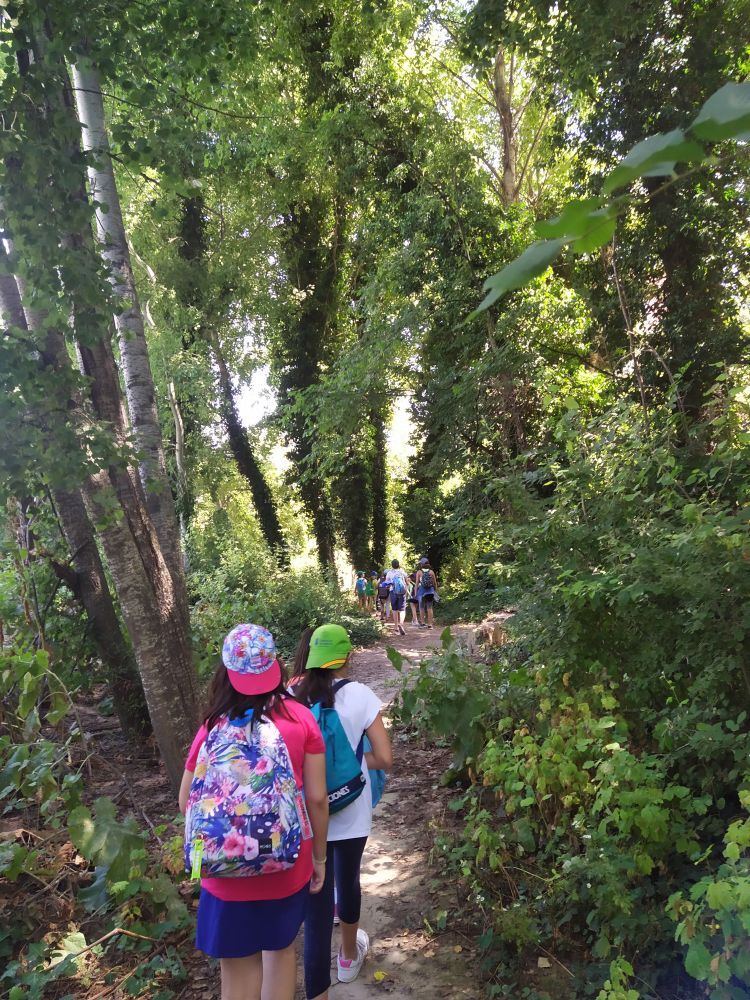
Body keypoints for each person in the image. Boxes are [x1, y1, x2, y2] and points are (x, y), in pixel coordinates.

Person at [179, 624, 329, 1000]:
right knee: (280, 952)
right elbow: (317, 798)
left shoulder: (212, 727)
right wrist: (320, 858)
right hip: (286, 862)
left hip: (223, 868)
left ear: (226, 672)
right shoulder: (300, 718)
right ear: (274, 666)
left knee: (237, 969)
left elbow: (186, 802)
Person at [291, 624, 393, 1000]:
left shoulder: (289, 697)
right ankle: (349, 957)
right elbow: (385, 757)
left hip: (307, 814)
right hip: (352, 812)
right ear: (346, 657)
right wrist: (353, 764)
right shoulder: (360, 695)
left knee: (316, 906)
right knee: (347, 881)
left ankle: (317, 991)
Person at [385, 559, 409, 636]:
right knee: (402, 609)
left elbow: (387, 583)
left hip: (393, 592)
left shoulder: (389, 573)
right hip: (402, 592)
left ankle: (396, 627)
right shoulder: (402, 571)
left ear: (392, 565)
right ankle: (401, 624)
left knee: (394, 609)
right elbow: (407, 582)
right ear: (398, 565)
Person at [418, 561, 439, 629]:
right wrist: (435, 590)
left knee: (421, 608)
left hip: (421, 592)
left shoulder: (419, 572)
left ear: (422, 565)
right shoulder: (431, 572)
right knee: (429, 608)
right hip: (430, 592)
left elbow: (416, 583)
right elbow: (435, 583)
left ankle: (423, 624)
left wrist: (415, 592)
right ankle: (430, 625)